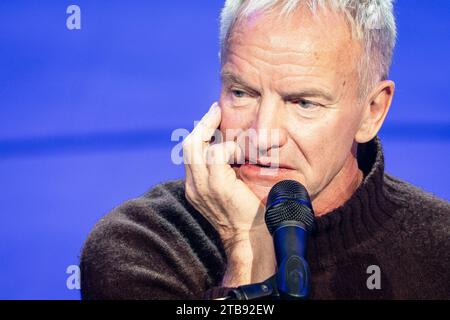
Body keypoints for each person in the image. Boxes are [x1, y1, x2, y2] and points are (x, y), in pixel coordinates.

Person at [80, 0, 450, 299]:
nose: (262, 135)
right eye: (242, 93)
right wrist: (248, 245)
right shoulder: (141, 247)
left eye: (303, 103)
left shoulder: (439, 247)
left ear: (372, 112)